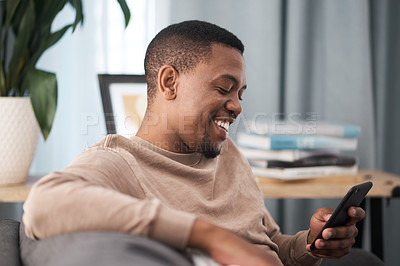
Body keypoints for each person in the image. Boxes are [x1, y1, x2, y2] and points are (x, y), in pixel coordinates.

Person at [23, 20, 364, 266]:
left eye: (240, 93)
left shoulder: (227, 152)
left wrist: (310, 244)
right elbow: (42, 205)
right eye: (223, 88)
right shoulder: (119, 162)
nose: (238, 106)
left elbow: (268, 243)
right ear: (169, 82)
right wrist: (210, 237)